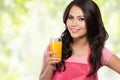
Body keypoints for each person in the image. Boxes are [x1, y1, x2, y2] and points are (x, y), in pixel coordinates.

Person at [39, 0, 120, 80]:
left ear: (92, 22)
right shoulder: (55, 48)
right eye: (70, 18)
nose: (74, 23)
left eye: (81, 19)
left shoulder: (99, 52)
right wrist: (50, 67)